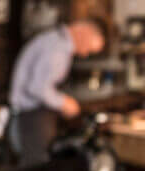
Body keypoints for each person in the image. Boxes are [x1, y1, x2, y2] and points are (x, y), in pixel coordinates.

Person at [6, 17, 107, 163]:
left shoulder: (53, 40)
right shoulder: (57, 48)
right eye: (88, 49)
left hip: (31, 114)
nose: (85, 54)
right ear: (83, 32)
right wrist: (64, 103)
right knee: (37, 168)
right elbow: (37, 87)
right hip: (33, 116)